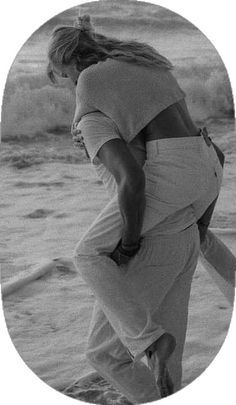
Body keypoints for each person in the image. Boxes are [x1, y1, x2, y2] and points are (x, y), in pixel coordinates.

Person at [47, 15, 234, 403]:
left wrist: (130, 243)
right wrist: (201, 218)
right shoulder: (143, 61)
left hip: (175, 170)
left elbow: (132, 180)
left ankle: (148, 341)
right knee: (192, 235)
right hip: (205, 160)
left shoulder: (90, 87)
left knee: (87, 253)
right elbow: (212, 152)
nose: (69, 85)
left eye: (63, 75)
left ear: (72, 62)